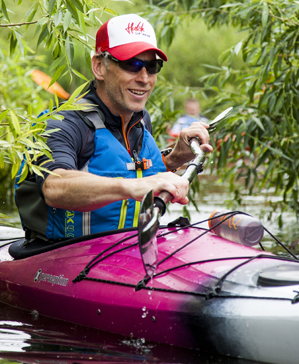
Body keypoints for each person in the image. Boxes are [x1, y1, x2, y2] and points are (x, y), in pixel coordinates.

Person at [15, 14, 212, 241]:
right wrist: (131, 187)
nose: (144, 78)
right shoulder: (63, 124)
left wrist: (176, 157)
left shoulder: (140, 120)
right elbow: (54, 186)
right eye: (132, 64)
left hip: (125, 253)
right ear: (99, 67)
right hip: (61, 257)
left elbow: (132, 170)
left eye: (152, 66)